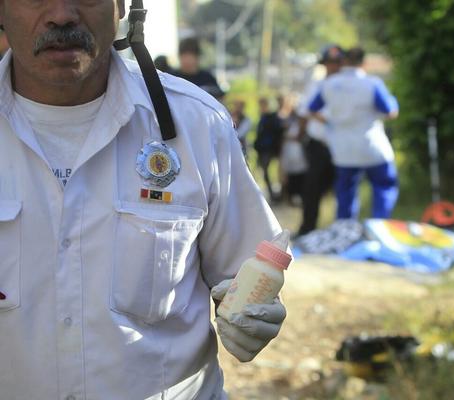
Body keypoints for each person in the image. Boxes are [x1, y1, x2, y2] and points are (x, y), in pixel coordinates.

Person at [0, 1, 286, 399]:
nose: (61, 14)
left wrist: (253, 306)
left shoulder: (197, 125)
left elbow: (249, 267)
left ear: (122, 6)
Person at [309, 47, 399, 219]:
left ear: (344, 61)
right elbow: (390, 112)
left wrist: (330, 123)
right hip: (372, 146)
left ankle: (346, 231)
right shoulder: (372, 83)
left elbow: (312, 110)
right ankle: (379, 227)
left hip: (343, 150)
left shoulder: (329, 84)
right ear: (364, 63)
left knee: (345, 195)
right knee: (384, 187)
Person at [295, 45, 343, 236]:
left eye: (337, 63)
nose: (333, 67)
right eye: (330, 63)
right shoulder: (317, 84)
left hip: (341, 145)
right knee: (312, 189)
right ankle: (308, 229)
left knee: (342, 190)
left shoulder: (347, 86)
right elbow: (304, 110)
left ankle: (339, 231)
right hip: (318, 144)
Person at [254, 97, 284, 202]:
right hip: (263, 149)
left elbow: (277, 133)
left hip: (269, 149)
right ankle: (272, 194)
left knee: (270, 172)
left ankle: (275, 195)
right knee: (264, 172)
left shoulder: (272, 117)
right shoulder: (263, 117)